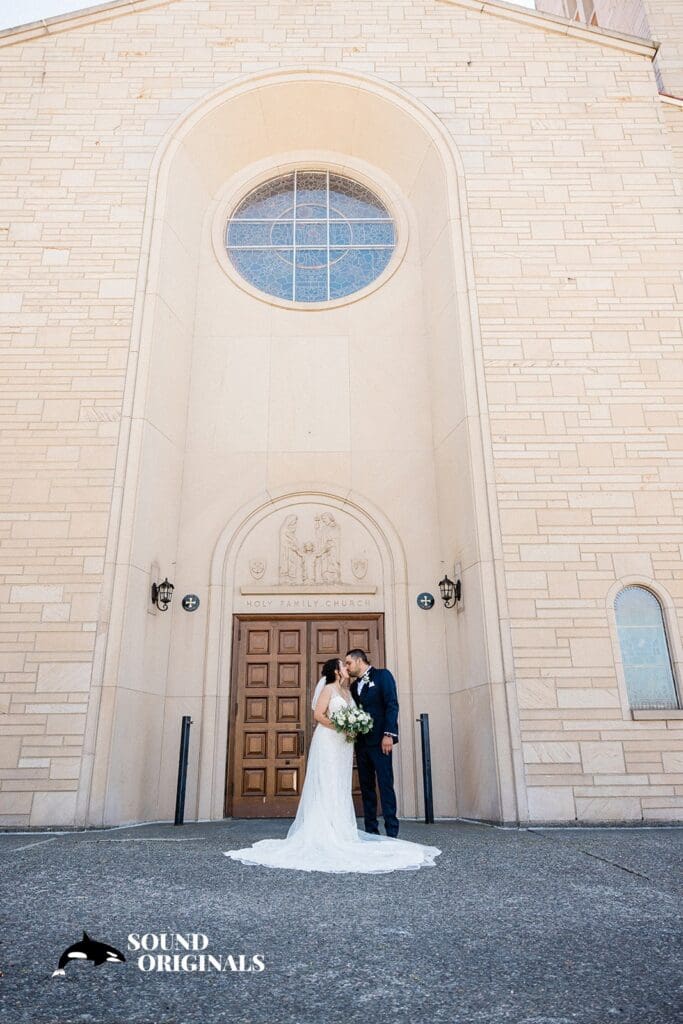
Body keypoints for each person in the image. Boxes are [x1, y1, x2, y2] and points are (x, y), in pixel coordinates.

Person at [223, 657, 441, 873]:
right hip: (330, 741)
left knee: (343, 784)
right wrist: (342, 727)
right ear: (337, 671)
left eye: (348, 663)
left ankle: (361, 831)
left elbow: (386, 706)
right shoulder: (329, 689)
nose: (346, 667)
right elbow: (318, 714)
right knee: (328, 783)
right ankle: (327, 831)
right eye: (342, 665)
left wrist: (368, 729)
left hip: (346, 746)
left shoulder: (354, 688)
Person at [344, 648, 400, 837]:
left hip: (381, 741)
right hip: (361, 744)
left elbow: (392, 704)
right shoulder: (353, 686)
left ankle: (392, 831)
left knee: (385, 785)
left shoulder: (383, 676)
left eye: (349, 663)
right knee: (366, 788)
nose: (347, 667)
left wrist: (389, 734)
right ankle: (371, 831)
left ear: (359, 661)